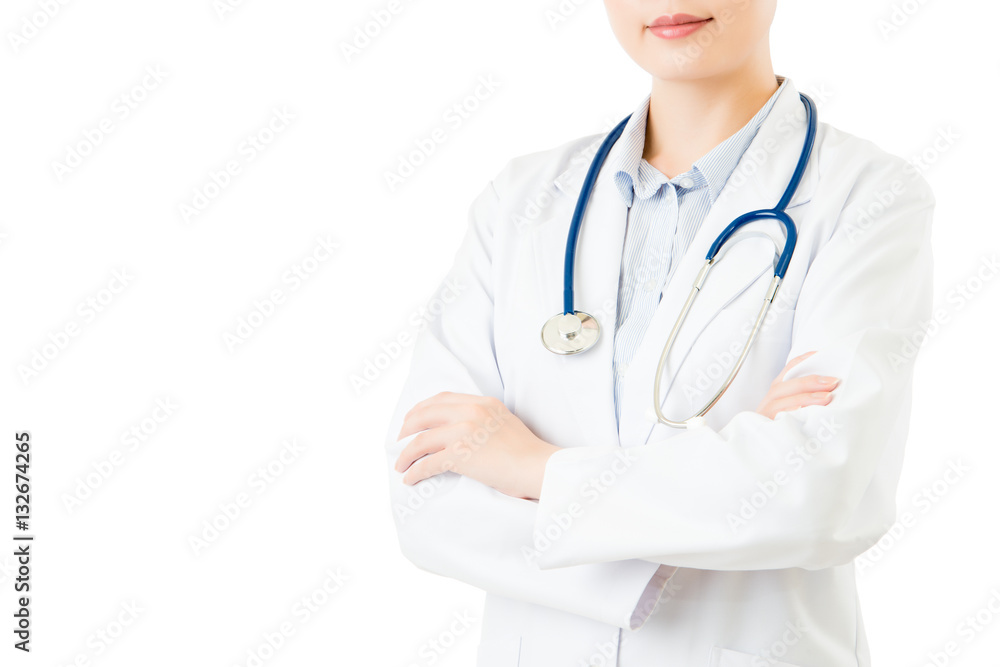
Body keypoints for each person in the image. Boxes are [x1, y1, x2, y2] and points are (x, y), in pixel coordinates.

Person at [384, 2, 934, 665]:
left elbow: (820, 489)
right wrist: (724, 479)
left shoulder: (867, 197)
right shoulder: (520, 201)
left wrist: (533, 468)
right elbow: (426, 496)